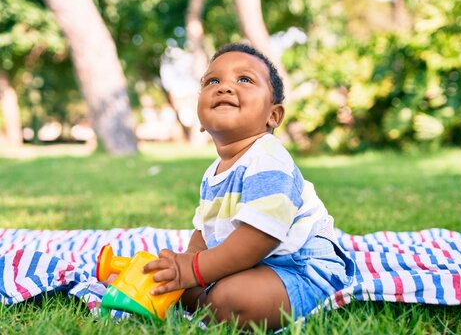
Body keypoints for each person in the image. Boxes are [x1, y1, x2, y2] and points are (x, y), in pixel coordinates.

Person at [142, 43, 355, 330]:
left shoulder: (268, 157)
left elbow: (260, 236)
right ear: (201, 119)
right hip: (255, 265)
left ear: (273, 116)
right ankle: (204, 297)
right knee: (177, 286)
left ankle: (214, 301)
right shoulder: (212, 173)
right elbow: (203, 233)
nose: (224, 87)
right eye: (212, 81)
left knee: (231, 298)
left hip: (300, 267)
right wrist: (182, 269)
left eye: (244, 79)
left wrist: (193, 270)